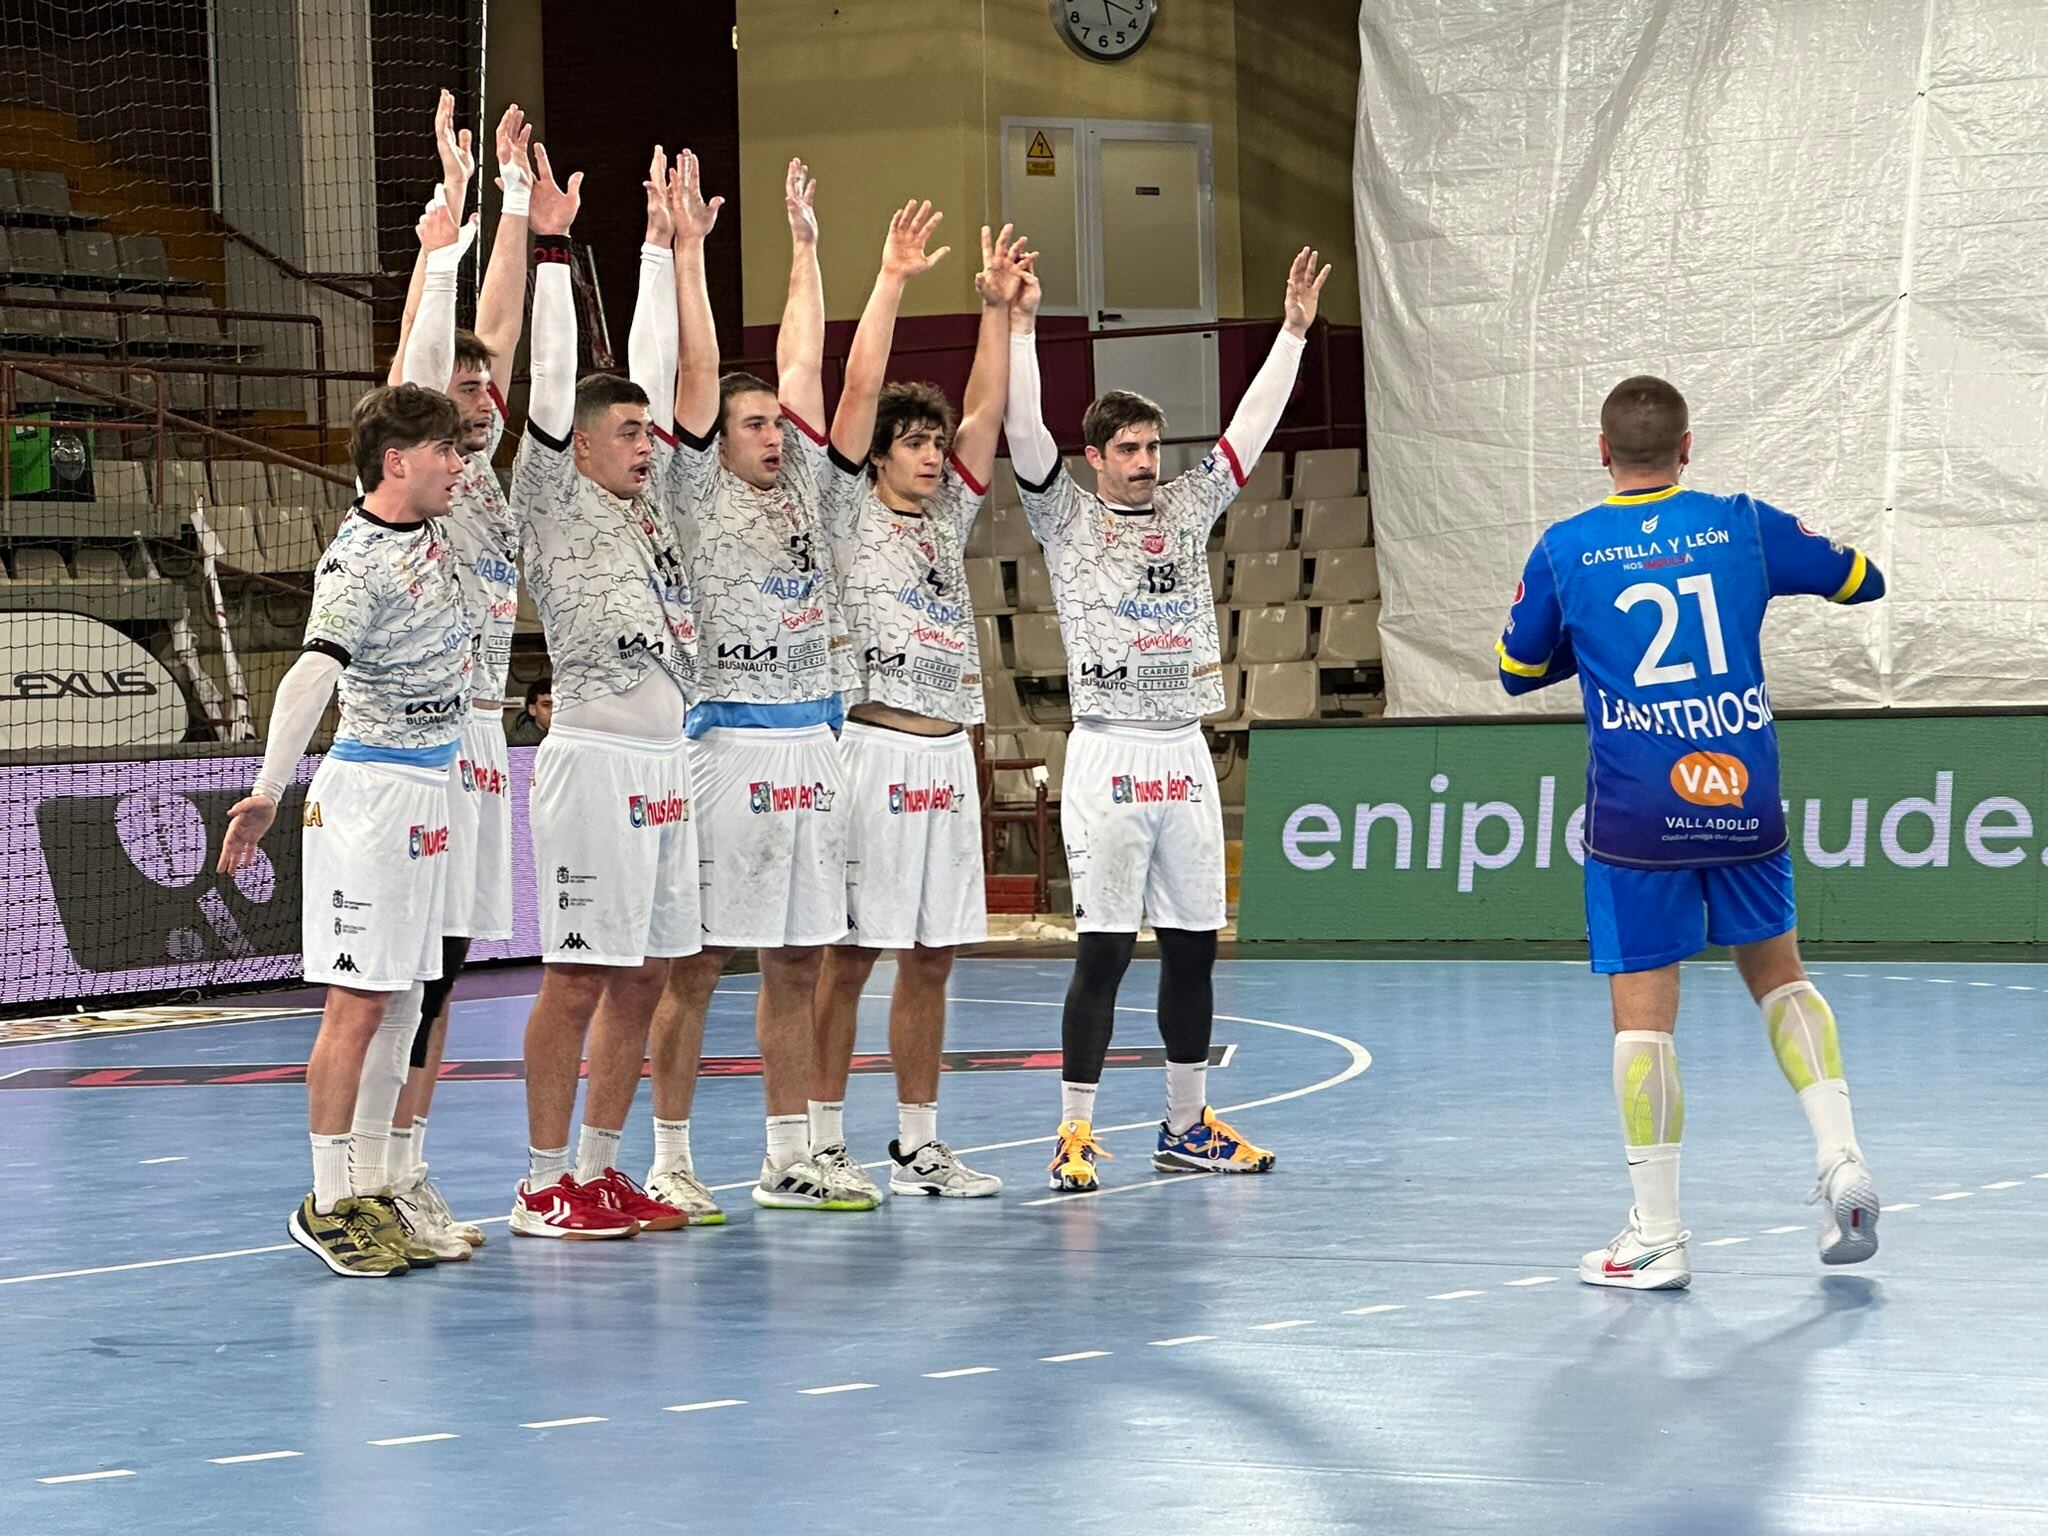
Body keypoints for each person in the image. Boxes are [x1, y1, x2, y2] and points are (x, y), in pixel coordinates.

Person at [1497, 374, 1887, 1291]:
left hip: (1637, 813)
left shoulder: (1567, 548)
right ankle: (1841, 1158)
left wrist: (1596, 641)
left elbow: (1516, 667)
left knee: (1644, 1019)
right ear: (1687, 447)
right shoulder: (1741, 522)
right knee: (1780, 974)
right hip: (1742, 795)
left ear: (1602, 452)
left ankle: (1659, 1234)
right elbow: (1861, 580)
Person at [1004, 248, 1332, 1192]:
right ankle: (1073, 1131)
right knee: (1103, 953)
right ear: (1096, 458)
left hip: (1185, 754)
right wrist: (1022, 329)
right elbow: (1024, 431)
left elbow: (1252, 427)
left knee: (1194, 950)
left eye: (1155, 448)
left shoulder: (1189, 509)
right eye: (1132, 451)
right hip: (1107, 755)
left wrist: (1295, 333)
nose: (1150, 465)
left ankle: (1185, 1125)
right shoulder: (1063, 519)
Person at [648, 156, 869, 1213]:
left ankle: (788, 1158)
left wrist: (807, 245)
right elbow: (699, 374)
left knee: (796, 959)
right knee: (694, 965)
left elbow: (807, 362)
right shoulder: (690, 489)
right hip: (725, 741)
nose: (773, 436)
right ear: (715, 438)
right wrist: (688, 254)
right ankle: (669, 1159)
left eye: (777, 425)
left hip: (813, 738)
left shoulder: (811, 491)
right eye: (754, 424)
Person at [217, 383, 471, 1277]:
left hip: (432, 789)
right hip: (369, 795)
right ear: (397, 461)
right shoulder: (355, 563)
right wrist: (267, 789)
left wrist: (447, 258)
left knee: (406, 997)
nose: (460, 460)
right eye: (444, 448)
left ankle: (370, 1190)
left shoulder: (438, 532)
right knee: (358, 1001)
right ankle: (326, 1201)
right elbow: (308, 677)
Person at [808, 217, 1028, 1200]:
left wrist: (997, 313)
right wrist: (892, 277)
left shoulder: (948, 514)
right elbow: (855, 390)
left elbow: (985, 410)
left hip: (945, 760)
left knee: (932, 956)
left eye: (933, 442)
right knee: (852, 954)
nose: (932, 454)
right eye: (912, 443)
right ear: (878, 457)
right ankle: (816, 1138)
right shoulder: (845, 508)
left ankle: (915, 1143)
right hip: (872, 751)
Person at [506, 142, 702, 1239]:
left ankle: (597, 1169)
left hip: (669, 766)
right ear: (575, 446)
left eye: (645, 431)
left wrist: (660, 249)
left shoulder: (650, 506)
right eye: (625, 432)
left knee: (643, 983)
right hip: (590, 759)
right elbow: (549, 381)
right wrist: (550, 249)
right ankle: (539, 1185)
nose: (645, 442)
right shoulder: (548, 490)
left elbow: (659, 367)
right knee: (578, 981)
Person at [363, 92, 535, 1261]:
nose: (480, 392)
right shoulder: (418, 474)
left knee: (447, 977)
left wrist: (523, 208)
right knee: (397, 974)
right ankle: (366, 1174)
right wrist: (455, 213)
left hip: (481, 738)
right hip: (410, 739)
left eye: (484, 389)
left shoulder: (486, 475)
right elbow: (438, 356)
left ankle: (412, 1174)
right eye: (460, 388)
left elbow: (502, 341)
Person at [510, 675, 552, 744]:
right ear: (532, 709)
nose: (554, 711)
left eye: (557, 705)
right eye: (546, 705)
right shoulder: (520, 743)